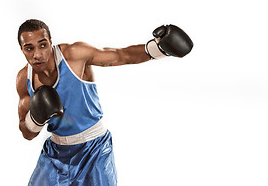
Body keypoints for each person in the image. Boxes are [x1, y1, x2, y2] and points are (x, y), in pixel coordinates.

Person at [16, 19, 193, 186]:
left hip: (94, 148)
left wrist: (157, 49)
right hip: (56, 153)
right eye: (29, 48)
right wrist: (35, 118)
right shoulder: (24, 79)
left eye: (43, 45)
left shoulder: (74, 55)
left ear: (50, 42)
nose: (37, 54)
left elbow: (119, 55)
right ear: (22, 50)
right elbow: (27, 133)